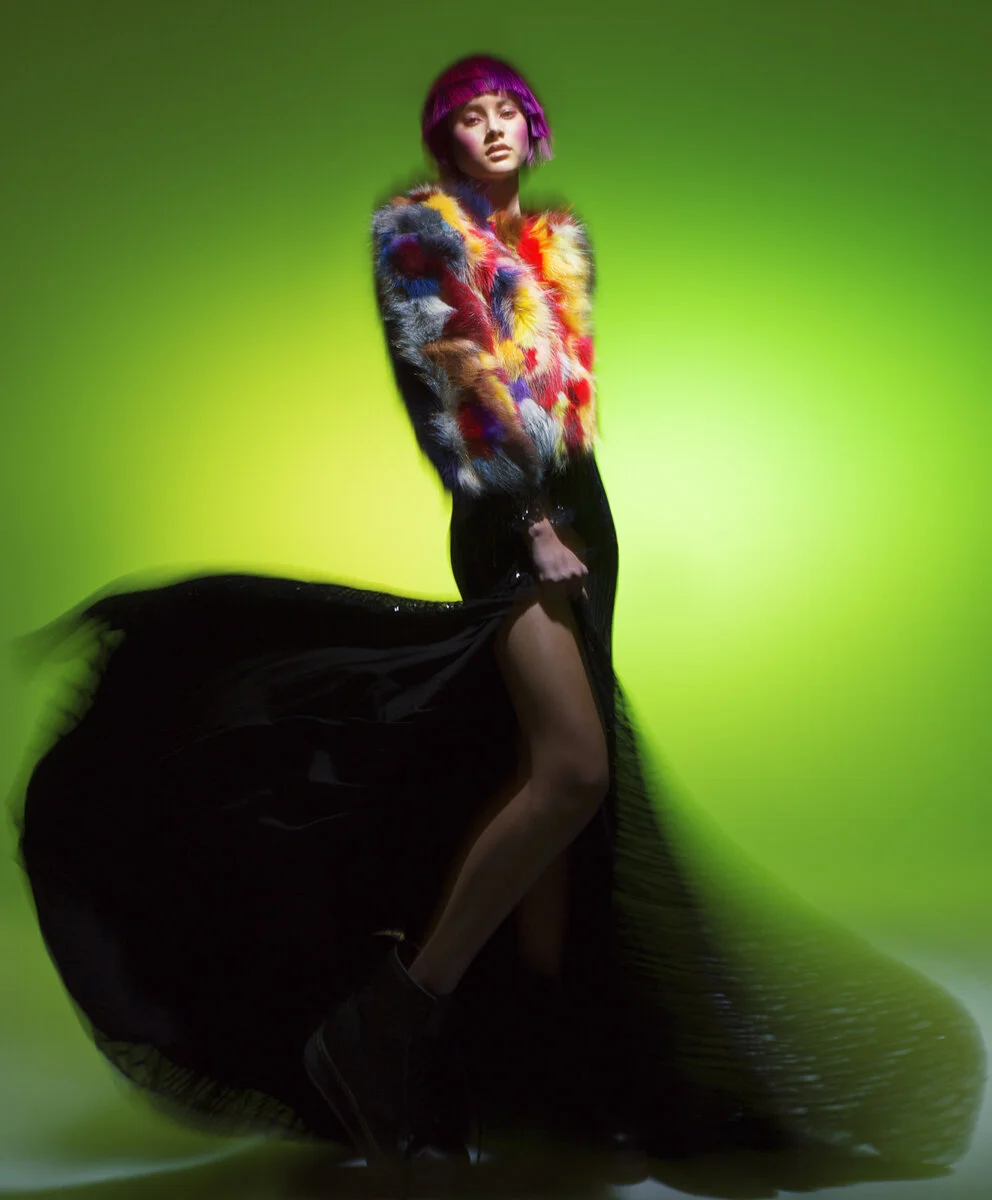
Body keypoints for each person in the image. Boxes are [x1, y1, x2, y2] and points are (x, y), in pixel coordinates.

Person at [11, 52, 985, 1186]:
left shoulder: (554, 247)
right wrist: (528, 524)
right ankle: (391, 1015)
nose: (490, 129)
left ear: (532, 128)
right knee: (570, 770)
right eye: (467, 118)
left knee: (559, 802)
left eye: (505, 113)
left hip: (584, 516)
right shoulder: (419, 239)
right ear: (446, 142)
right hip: (510, 517)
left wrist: (568, 518)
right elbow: (452, 395)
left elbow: (566, 407)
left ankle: (539, 1065)